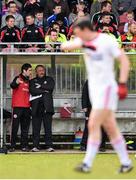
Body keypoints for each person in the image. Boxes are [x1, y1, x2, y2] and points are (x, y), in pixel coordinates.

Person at [61, 17, 133, 173]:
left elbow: (125, 61)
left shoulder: (106, 41)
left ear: (86, 30)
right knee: (110, 127)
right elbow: (64, 46)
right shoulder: (83, 42)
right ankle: (126, 162)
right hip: (95, 91)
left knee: (93, 123)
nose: (77, 36)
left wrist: (122, 83)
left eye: (78, 33)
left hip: (107, 89)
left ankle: (87, 163)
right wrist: (81, 43)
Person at [29, 65, 55, 152]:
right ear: (36, 72)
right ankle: (35, 146)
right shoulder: (32, 81)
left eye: (43, 70)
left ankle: (49, 146)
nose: (41, 72)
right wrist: (44, 90)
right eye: (39, 70)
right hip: (36, 108)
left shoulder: (49, 79)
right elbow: (33, 91)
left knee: (48, 128)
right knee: (36, 128)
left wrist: (39, 87)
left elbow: (50, 88)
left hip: (47, 108)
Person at [10, 63, 32, 152]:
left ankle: (24, 146)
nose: (31, 72)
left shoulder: (29, 81)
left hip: (27, 107)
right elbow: (12, 85)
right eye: (30, 70)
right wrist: (16, 82)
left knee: (25, 128)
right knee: (15, 127)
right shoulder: (17, 78)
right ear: (24, 70)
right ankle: (12, 146)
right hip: (17, 107)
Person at [81, 80, 107, 152]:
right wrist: (84, 106)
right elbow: (84, 94)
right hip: (91, 107)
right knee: (88, 126)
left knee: (102, 126)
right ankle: (84, 144)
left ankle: (101, 145)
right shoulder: (89, 81)